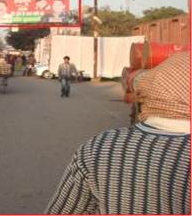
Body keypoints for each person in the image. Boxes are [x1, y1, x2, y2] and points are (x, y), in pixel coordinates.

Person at [45, 51, 190, 214]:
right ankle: (64, 92)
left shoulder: (98, 148)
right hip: (63, 78)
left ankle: (65, 91)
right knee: (64, 85)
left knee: (66, 85)